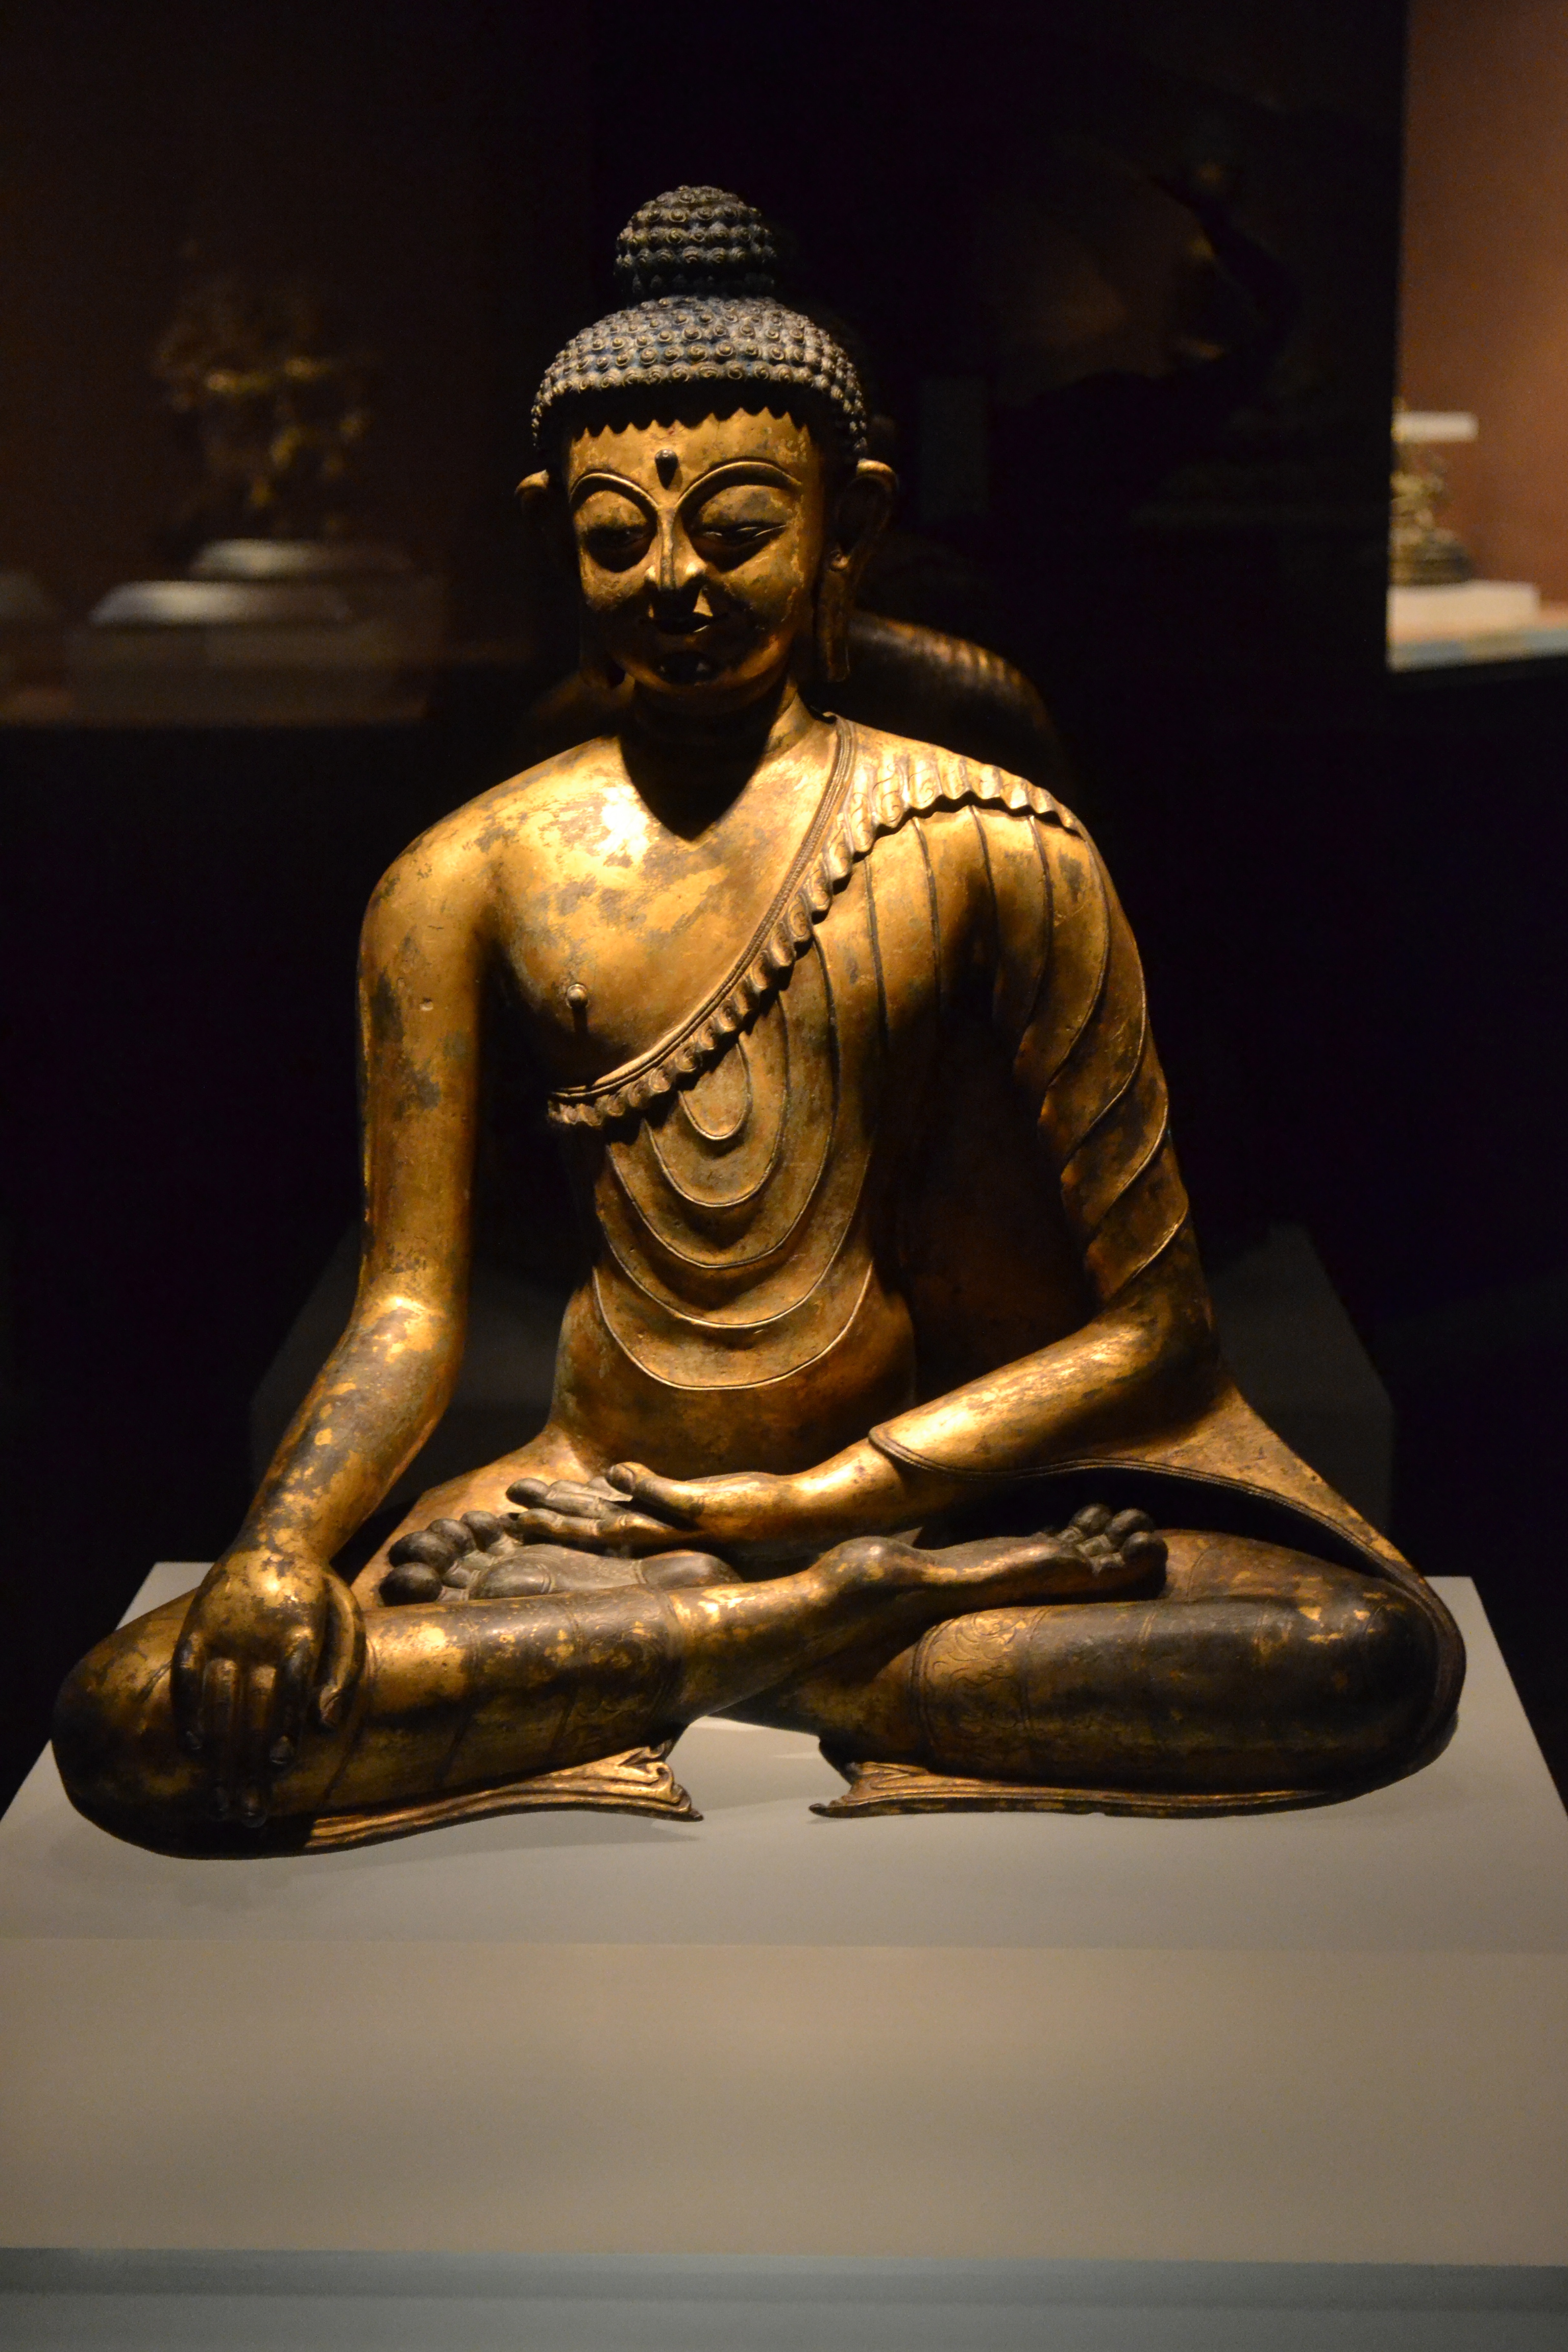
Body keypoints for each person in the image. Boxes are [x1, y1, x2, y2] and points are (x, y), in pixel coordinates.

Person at [55, 189, 1461, 1857]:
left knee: (1361, 1657)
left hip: (941, 1494)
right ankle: (810, 1643)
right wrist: (280, 1553)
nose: (672, 579)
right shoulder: (466, 875)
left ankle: (687, 1655)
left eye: (733, 526)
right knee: (142, 1715)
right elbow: (411, 1306)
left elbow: (1157, 1335)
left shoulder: (991, 842)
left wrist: (831, 1501)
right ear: (550, 531)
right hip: (596, 1506)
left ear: (849, 524)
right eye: (613, 536)